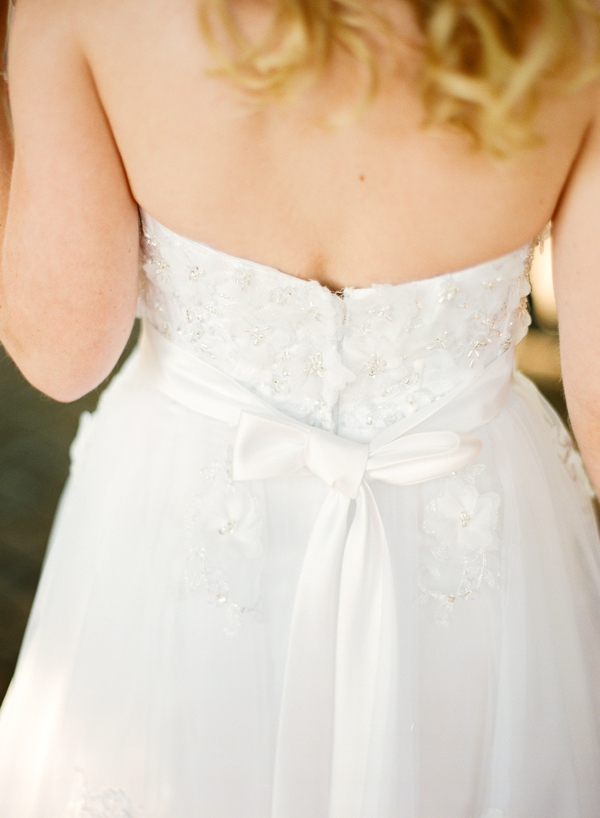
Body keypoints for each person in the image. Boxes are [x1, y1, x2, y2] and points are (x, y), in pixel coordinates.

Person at [0, 0, 600, 815]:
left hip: (184, 532)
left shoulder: (85, 12)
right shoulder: (573, 28)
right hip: (474, 550)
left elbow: (63, 351)